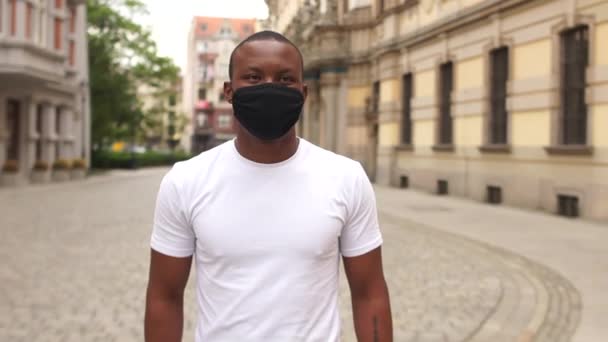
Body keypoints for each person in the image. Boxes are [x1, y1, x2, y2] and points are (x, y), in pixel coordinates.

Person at [144, 30, 393, 342]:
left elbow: (370, 293)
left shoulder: (346, 178)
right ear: (228, 91)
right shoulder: (185, 181)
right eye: (253, 77)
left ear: (304, 93)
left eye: (285, 79)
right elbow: (164, 297)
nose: (270, 88)